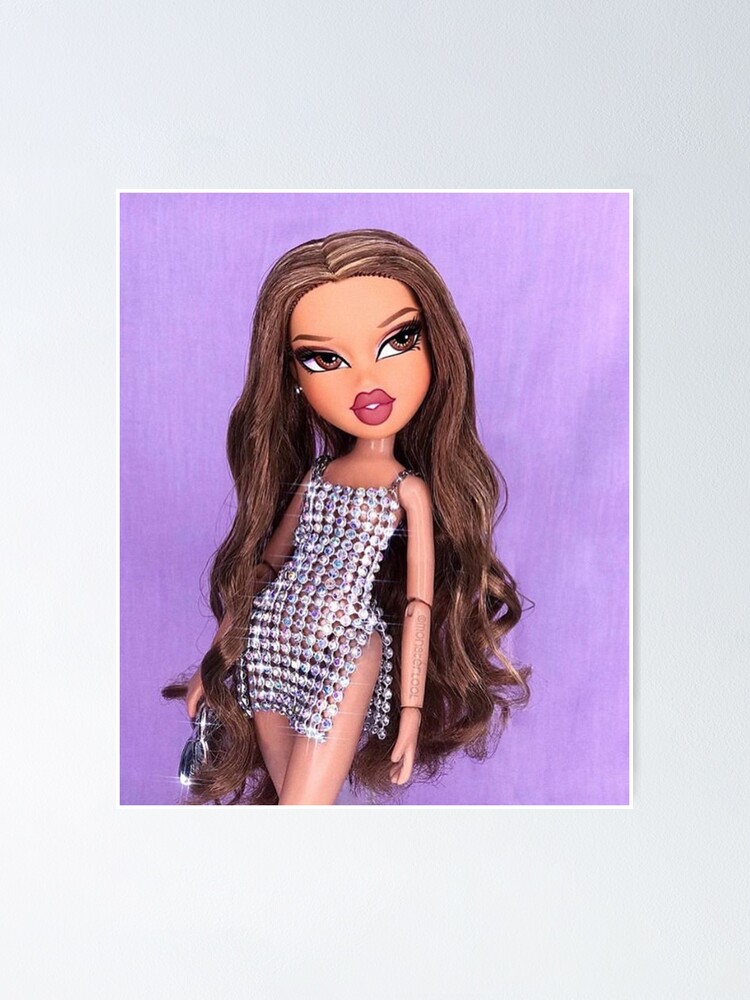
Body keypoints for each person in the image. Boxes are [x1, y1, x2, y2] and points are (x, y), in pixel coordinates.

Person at [162, 228, 531, 805]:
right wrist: (218, 659)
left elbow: (417, 605)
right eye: (323, 358)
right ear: (292, 377)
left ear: (436, 348)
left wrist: (410, 711)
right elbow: (264, 569)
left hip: (347, 648)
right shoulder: (316, 476)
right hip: (269, 642)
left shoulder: (408, 490)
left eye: (398, 340)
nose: (366, 382)